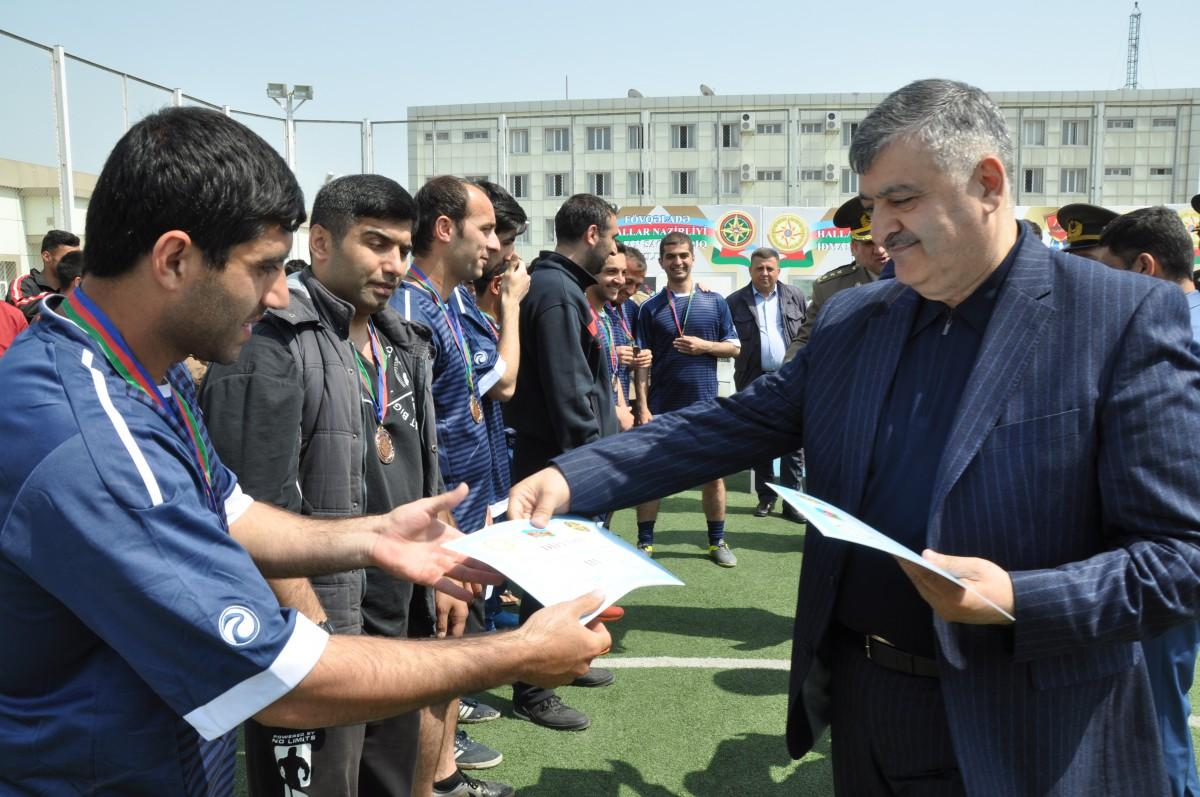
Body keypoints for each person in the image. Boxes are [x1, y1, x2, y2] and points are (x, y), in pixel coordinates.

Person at [508, 79, 1200, 797]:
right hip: (868, 712)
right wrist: (570, 477)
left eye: (901, 200)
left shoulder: (1120, 317)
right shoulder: (855, 321)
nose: (881, 229)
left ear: (988, 183)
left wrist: (1020, 597)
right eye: (871, 205)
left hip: (1034, 726)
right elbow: (730, 423)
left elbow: (1180, 558)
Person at [0, 106, 610, 796]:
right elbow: (280, 682)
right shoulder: (92, 441)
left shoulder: (143, 363)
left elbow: (229, 509)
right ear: (173, 259)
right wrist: (518, 651)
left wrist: (373, 537)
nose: (279, 291)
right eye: (263, 267)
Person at [200, 173, 510, 797]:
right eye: (375, 244)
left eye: (401, 247)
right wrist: (310, 633)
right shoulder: (272, 344)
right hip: (322, 633)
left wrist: (446, 566)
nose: (394, 263)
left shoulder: (404, 342)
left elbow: (426, 475)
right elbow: (248, 511)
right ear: (319, 243)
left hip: (400, 627)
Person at [388, 176, 515, 795]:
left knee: (447, 645)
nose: (494, 244)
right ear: (446, 229)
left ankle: (444, 774)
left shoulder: (440, 303)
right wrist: (440, 533)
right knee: (432, 648)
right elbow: (405, 440)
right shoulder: (410, 308)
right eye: (486, 228)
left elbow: (460, 408)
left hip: (459, 505)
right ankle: (436, 780)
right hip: (431, 520)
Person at [504, 192, 622, 731]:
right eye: (614, 236)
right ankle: (533, 687)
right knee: (548, 576)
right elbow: (567, 388)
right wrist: (585, 464)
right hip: (558, 460)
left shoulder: (564, 288)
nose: (615, 249)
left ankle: (565, 664)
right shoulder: (555, 291)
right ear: (593, 234)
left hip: (567, 456)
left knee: (570, 571)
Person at [1095, 206, 1200, 797]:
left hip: (1165, 550)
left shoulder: (1166, 335)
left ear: (1144, 266)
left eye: (1110, 274)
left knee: (1153, 709)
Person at [632, 230, 740, 565]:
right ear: (662, 261)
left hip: (705, 406)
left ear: (692, 258)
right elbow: (641, 363)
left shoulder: (715, 301)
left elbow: (734, 347)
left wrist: (704, 346)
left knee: (713, 475)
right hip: (662, 406)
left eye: (683, 256)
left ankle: (717, 541)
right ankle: (645, 544)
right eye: (670, 256)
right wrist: (643, 407)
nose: (677, 262)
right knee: (652, 475)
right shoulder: (649, 308)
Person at [725, 247, 807, 519]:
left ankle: (792, 501)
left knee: (793, 441)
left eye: (770, 268)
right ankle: (766, 497)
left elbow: (806, 334)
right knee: (759, 438)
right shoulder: (734, 301)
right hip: (752, 378)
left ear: (778, 270)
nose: (764, 273)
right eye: (759, 268)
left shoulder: (794, 296)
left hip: (790, 377)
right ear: (750, 270)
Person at [789, 196, 889, 351]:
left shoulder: (919, 281)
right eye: (869, 243)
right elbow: (805, 342)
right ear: (854, 247)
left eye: (883, 241)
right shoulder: (830, 289)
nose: (879, 250)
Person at [7, 229, 80, 321]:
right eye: (69, 257)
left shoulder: (77, 285)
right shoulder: (24, 283)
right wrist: (61, 297)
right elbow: (19, 307)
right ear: (47, 257)